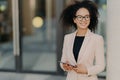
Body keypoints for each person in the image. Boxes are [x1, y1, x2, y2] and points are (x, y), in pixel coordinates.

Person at [59, 0, 105, 80]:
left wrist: (86, 70)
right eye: (80, 17)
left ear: (90, 19)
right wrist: (64, 66)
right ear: (74, 19)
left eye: (86, 16)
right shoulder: (67, 38)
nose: (83, 20)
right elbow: (63, 60)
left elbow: (101, 65)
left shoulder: (97, 39)